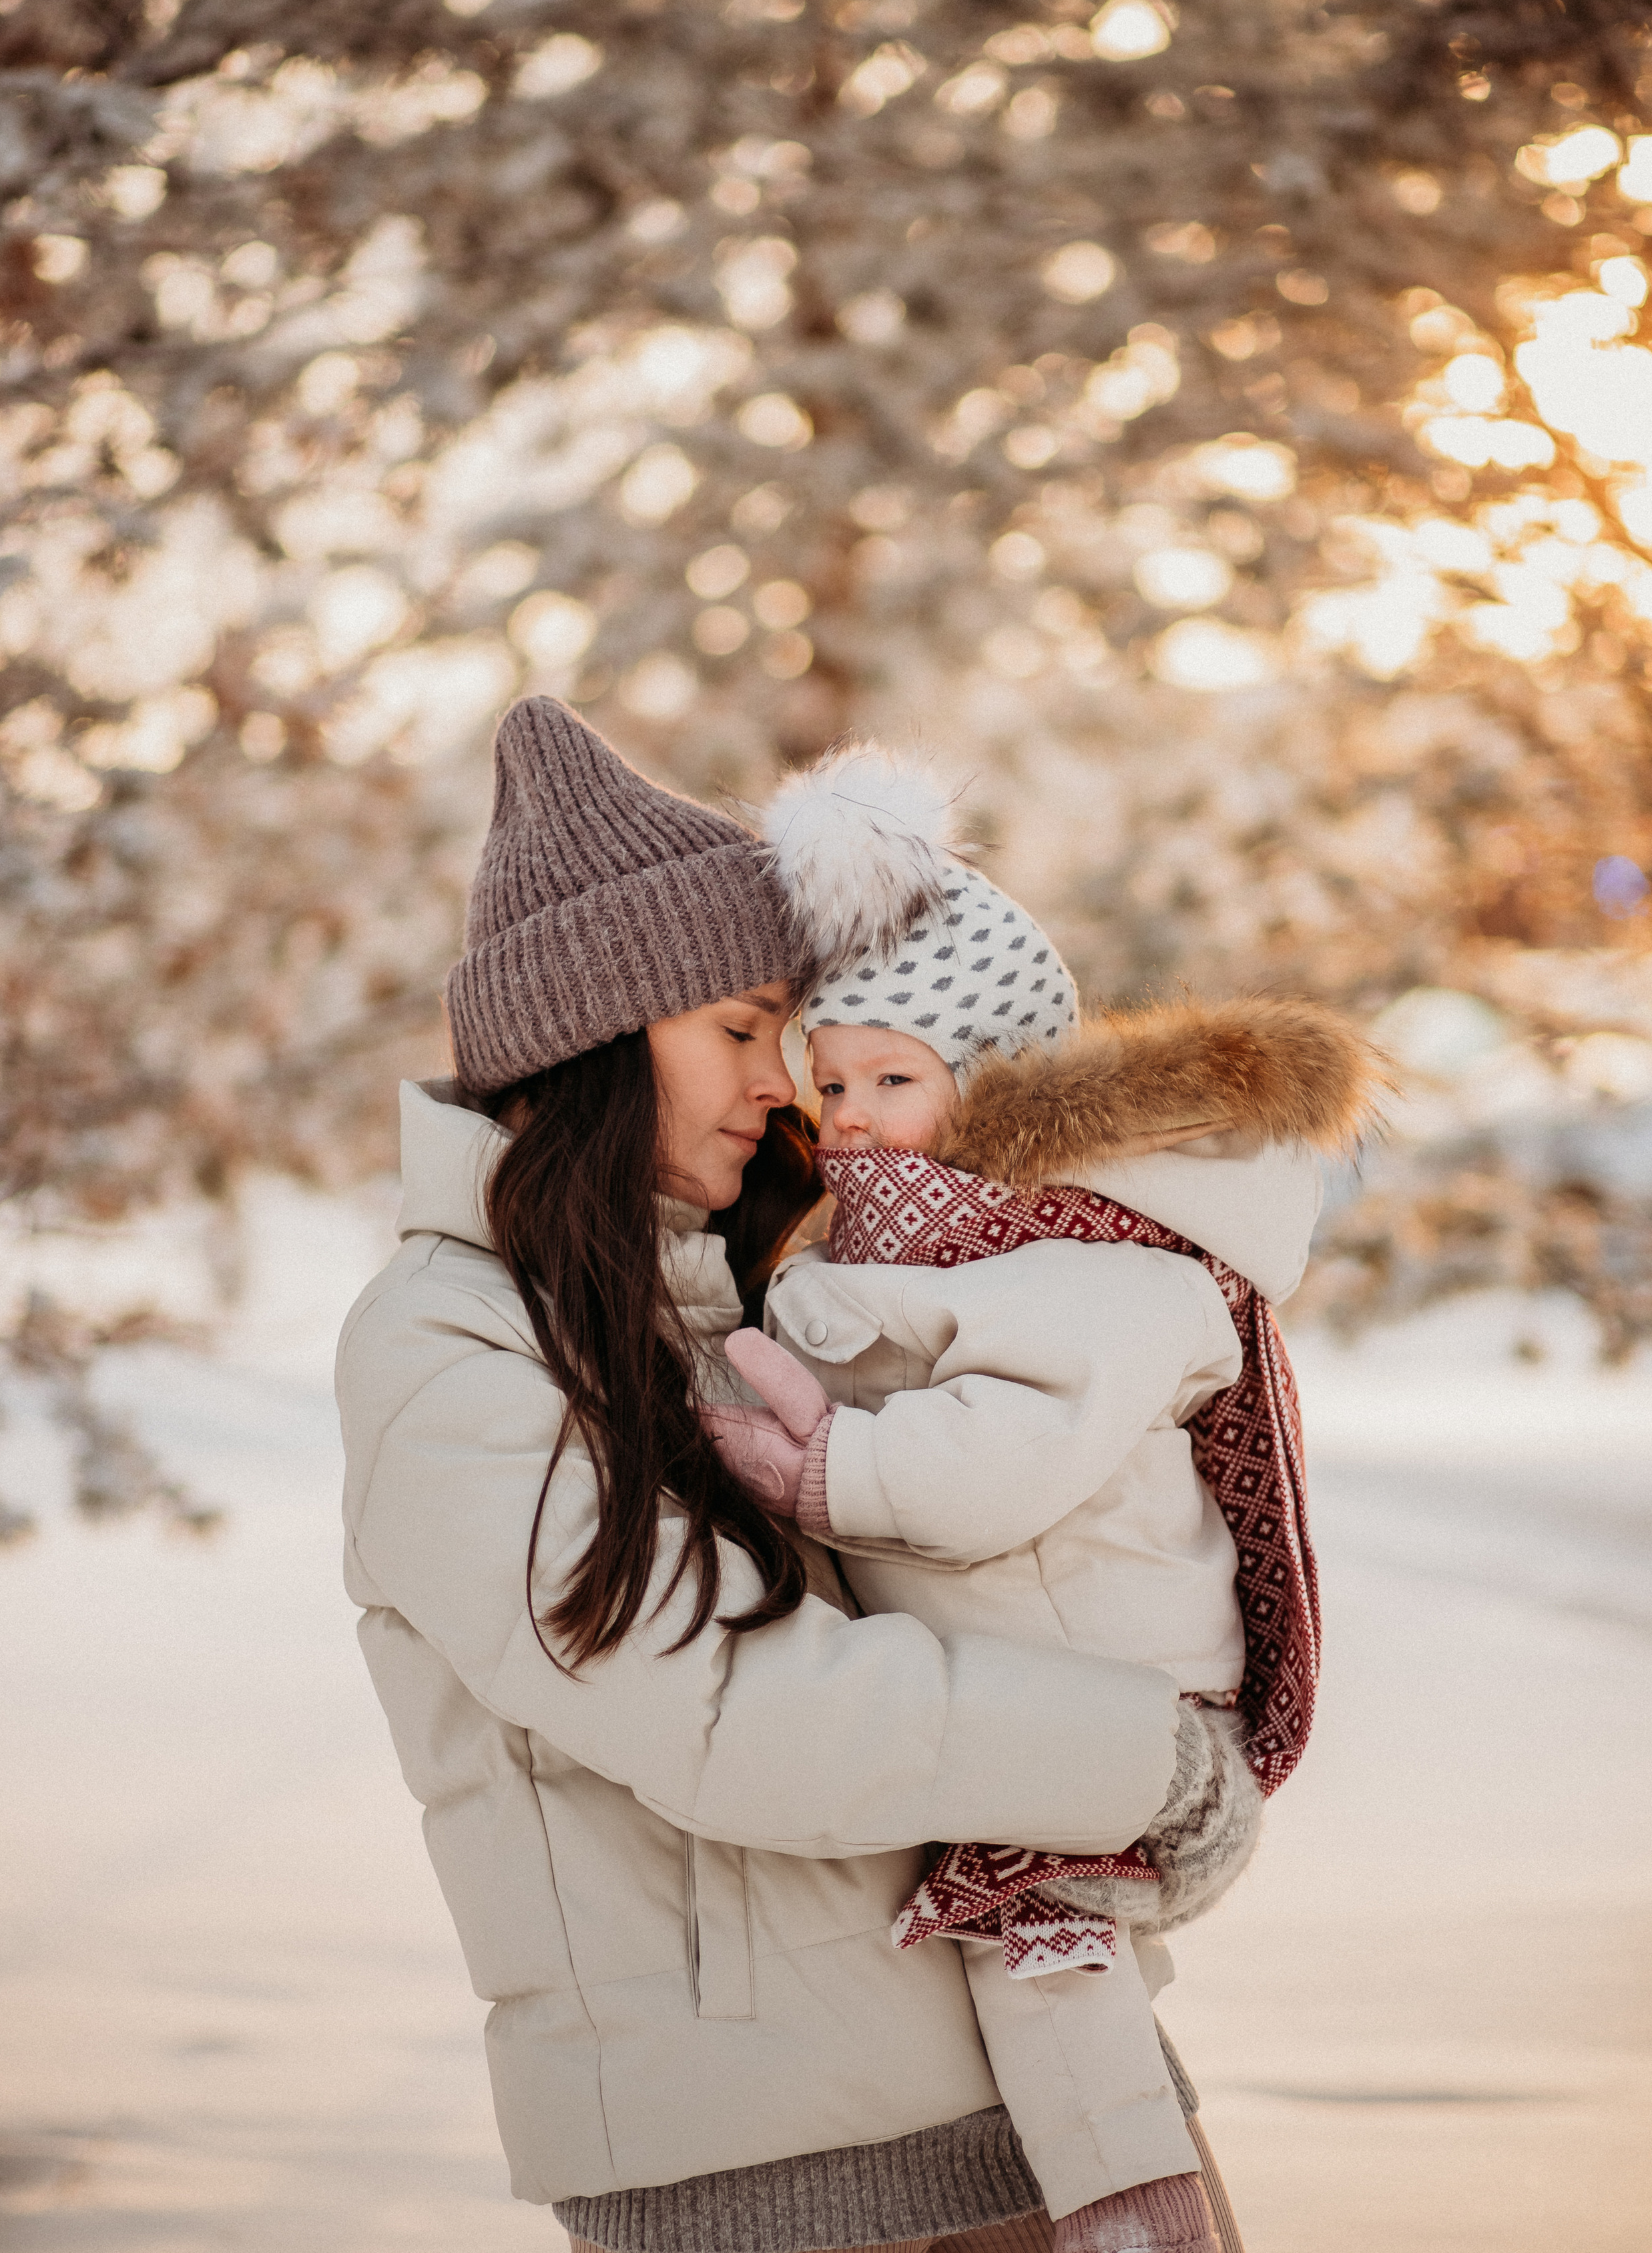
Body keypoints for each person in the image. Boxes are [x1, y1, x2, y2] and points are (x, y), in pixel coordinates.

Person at [337, 696, 1260, 2253]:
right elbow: (736, 1716)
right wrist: (1141, 1759)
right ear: (599, 1034)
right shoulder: (445, 1355)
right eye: (742, 1031)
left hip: (1041, 2094)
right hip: (780, 2179)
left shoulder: (729, 1296)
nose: (784, 1086)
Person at [704, 746, 1381, 2253]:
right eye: (832, 1083)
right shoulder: (907, 1255)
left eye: (892, 1080)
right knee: (1037, 1967)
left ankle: (1132, 2220)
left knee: (1047, 1956)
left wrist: (829, 1470)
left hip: (1119, 1688)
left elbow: (998, 1465)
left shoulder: (1094, 1268)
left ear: (988, 1083)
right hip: (1034, 1682)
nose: (855, 1116)